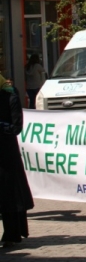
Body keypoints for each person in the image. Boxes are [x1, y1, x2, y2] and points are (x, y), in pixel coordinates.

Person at [0, 72, 33, 247]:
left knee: (8, 194)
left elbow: (16, 127)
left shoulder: (10, 98)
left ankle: (11, 233)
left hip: (5, 154)